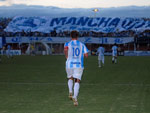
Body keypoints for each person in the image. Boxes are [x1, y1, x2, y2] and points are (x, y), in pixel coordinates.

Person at [64, 30, 88, 106]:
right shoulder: (82, 45)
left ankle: (70, 91)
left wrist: (67, 57)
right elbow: (86, 55)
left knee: (70, 78)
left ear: (71, 36)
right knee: (77, 81)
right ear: (77, 37)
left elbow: (65, 50)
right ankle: (75, 97)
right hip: (78, 64)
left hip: (69, 64)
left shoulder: (67, 44)